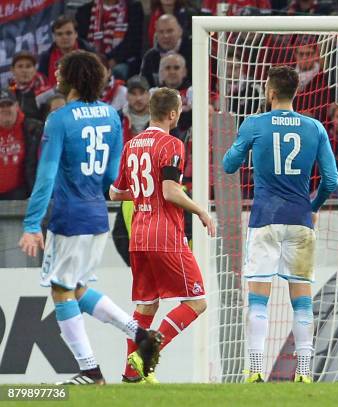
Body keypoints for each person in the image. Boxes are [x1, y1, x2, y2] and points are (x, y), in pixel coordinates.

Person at [18, 50, 162, 385]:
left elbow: (46, 175)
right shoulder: (111, 116)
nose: (55, 75)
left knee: (61, 289)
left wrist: (30, 224)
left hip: (70, 218)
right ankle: (140, 334)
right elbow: (112, 176)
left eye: (60, 70)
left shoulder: (60, 119)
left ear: (71, 77)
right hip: (98, 215)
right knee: (79, 288)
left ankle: (90, 371)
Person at [223, 65, 338, 383]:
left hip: (265, 221)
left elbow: (228, 165)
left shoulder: (255, 124)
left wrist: (245, 146)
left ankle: (256, 368)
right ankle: (304, 372)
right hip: (300, 221)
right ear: (296, 92)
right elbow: (331, 179)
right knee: (301, 299)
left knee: (259, 298)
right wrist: (312, 206)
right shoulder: (314, 127)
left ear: (270, 92)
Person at [109, 87, 215, 383]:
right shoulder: (172, 144)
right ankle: (145, 354)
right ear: (172, 114)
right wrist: (201, 211)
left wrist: (145, 191)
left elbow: (114, 192)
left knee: (147, 305)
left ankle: (131, 374)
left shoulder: (132, 144)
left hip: (139, 236)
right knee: (197, 302)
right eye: (179, 110)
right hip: (165, 235)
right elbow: (170, 191)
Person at [0, 89, 43, 200]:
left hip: (22, 195)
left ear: (17, 106)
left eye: (9, 104)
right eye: (1, 106)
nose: (5, 109)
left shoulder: (34, 129)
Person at [38, 15, 95, 88]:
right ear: (54, 37)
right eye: (59, 34)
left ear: (76, 34)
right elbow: (42, 85)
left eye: (68, 33)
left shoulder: (90, 54)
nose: (64, 37)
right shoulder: (46, 57)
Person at [141, 14, 191, 88]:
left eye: (170, 31)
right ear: (156, 35)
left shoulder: (194, 52)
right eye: (161, 32)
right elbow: (145, 87)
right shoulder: (150, 57)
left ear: (180, 32)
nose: (165, 36)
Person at [9, 51, 49, 121]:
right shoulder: (8, 94)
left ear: (34, 70)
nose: (24, 70)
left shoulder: (46, 92)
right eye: (20, 66)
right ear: (12, 70)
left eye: (28, 66)